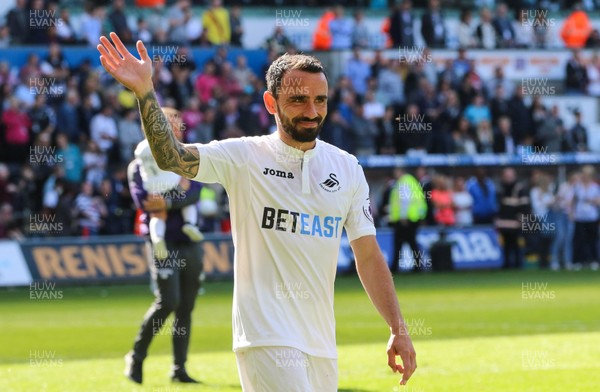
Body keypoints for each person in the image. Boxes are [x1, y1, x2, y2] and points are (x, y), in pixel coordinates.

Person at [98, 32, 416, 391]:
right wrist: (144, 93)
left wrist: (398, 328)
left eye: (320, 100)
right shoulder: (243, 156)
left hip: (321, 343)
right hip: (265, 338)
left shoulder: (346, 167)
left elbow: (369, 255)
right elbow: (171, 157)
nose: (312, 111)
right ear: (270, 102)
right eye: (298, 100)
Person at [125, 107, 205, 384]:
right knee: (168, 301)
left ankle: (178, 369)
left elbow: (196, 192)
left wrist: (168, 202)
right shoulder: (139, 163)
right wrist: (177, 196)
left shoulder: (185, 156)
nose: (173, 130)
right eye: (167, 125)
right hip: (162, 241)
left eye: (174, 125)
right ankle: (137, 356)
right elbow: (144, 202)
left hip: (189, 241)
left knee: (186, 306)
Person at [134, 107, 204, 259]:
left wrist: (167, 203)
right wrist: (172, 199)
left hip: (155, 190)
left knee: (157, 215)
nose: (179, 131)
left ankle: (158, 237)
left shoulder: (141, 149)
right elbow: (141, 200)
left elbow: (196, 192)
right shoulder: (178, 151)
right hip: (170, 193)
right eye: (174, 127)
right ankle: (189, 224)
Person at [386, 167, 428, 273]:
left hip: (405, 219)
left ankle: (395, 267)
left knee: (399, 244)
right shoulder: (412, 181)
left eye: (396, 172)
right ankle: (418, 266)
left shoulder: (403, 182)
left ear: (400, 172)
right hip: (413, 218)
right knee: (412, 243)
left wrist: (403, 216)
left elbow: (405, 200)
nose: (395, 174)